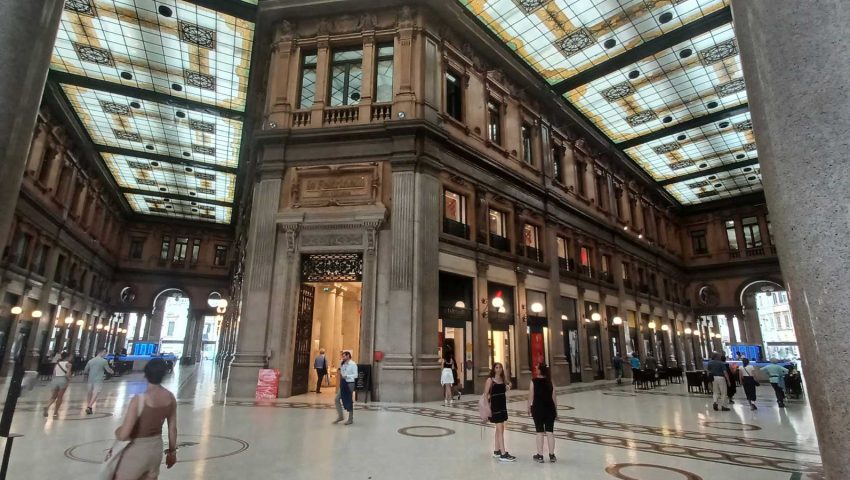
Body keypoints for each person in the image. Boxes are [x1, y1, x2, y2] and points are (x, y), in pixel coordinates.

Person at [112, 358, 177, 479]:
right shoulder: (170, 398)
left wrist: (117, 431)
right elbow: (172, 428)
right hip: (156, 449)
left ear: (145, 374)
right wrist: (172, 452)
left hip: (137, 451)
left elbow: (124, 434)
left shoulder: (139, 400)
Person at [484, 362, 514, 462]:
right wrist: (487, 407)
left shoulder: (502, 380)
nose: (498, 369)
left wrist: (508, 386)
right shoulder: (490, 380)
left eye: (500, 367)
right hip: (495, 407)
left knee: (499, 429)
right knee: (500, 429)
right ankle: (503, 453)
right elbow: (485, 395)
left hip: (502, 406)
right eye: (496, 367)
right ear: (493, 369)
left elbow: (506, 387)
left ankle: (497, 450)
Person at [527, 363, 557, 463]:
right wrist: (555, 410)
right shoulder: (550, 382)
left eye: (537, 367)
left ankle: (540, 456)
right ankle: (552, 455)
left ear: (540, 370)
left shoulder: (534, 381)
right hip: (550, 409)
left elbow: (531, 396)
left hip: (538, 409)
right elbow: (554, 397)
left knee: (539, 432)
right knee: (550, 432)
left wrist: (529, 407)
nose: (535, 368)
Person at [84, 348, 114, 414]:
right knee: (95, 393)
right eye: (105, 353)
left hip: (90, 379)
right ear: (102, 352)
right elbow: (108, 370)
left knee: (89, 393)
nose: (105, 355)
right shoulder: (104, 361)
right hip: (98, 380)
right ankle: (89, 406)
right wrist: (112, 371)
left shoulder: (90, 361)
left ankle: (88, 406)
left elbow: (85, 370)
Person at [44, 351, 71, 418]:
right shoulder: (68, 364)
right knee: (60, 397)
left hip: (55, 380)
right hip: (63, 380)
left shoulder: (57, 364)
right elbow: (67, 374)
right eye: (70, 356)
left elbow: (54, 373)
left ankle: (47, 407)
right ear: (67, 357)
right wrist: (69, 379)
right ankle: (55, 412)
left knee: (53, 396)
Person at [333, 351, 357, 425]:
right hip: (343, 383)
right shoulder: (342, 364)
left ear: (348, 356)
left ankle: (350, 419)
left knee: (349, 400)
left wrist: (347, 376)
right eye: (342, 356)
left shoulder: (353, 364)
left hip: (350, 383)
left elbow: (355, 375)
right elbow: (342, 372)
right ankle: (340, 416)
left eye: (344, 356)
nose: (343, 358)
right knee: (337, 399)